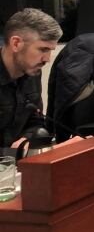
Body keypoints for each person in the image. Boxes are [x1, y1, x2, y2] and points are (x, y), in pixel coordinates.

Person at [0, 9, 62, 149]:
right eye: (43, 49)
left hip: (18, 163)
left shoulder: (32, 72)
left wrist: (27, 139)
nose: (47, 59)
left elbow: (35, 120)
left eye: (50, 51)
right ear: (16, 44)